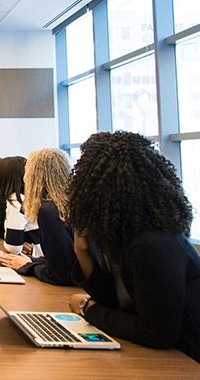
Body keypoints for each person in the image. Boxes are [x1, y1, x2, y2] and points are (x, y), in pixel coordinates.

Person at [65, 131, 200, 363]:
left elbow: (157, 335)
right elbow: (117, 304)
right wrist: (82, 251)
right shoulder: (124, 236)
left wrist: (88, 308)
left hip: (187, 360)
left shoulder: (153, 244)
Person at [0, 148, 76, 286]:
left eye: (26, 172)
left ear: (36, 177)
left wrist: (27, 266)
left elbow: (60, 275)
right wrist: (11, 259)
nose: (24, 177)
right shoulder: (69, 203)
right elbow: (64, 262)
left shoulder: (49, 211)